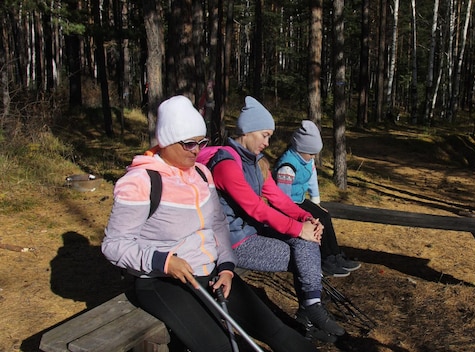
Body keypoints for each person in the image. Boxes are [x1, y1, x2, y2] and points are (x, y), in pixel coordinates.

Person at [101, 95, 318, 352]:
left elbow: (217, 225)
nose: (196, 150)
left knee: (279, 332)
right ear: (167, 141)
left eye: (201, 142)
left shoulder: (202, 174)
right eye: (188, 144)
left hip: (212, 272)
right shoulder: (140, 182)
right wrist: (164, 261)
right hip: (163, 281)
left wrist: (226, 266)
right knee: (225, 346)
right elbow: (114, 245)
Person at [198, 96, 346, 340]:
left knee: (306, 245)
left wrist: (306, 217)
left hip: (253, 232)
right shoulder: (226, 164)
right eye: (265, 135)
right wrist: (298, 230)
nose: (268, 142)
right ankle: (310, 313)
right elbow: (257, 208)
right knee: (304, 251)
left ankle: (310, 311)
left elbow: (277, 198)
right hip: (232, 242)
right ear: (248, 131)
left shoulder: (255, 162)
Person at [273, 120, 361, 277]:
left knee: (325, 215)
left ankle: (335, 255)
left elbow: (312, 180)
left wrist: (316, 203)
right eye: (311, 153)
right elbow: (282, 199)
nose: (313, 157)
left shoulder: (306, 159)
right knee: (317, 220)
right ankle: (325, 260)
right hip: (288, 204)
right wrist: (294, 218)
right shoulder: (287, 166)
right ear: (300, 148)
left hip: (299, 199)